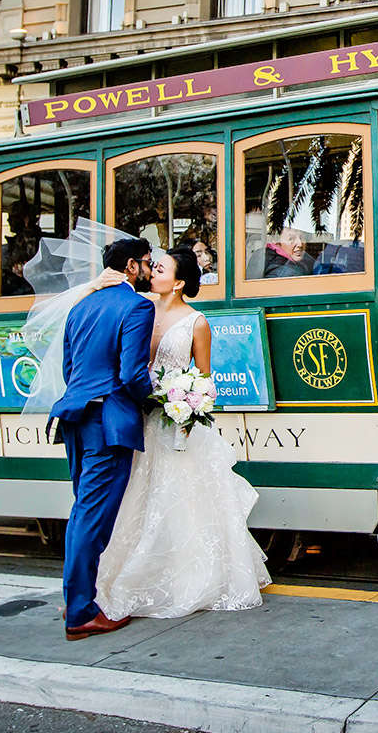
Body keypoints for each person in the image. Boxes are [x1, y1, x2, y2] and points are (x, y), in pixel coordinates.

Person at [96, 245, 270, 619]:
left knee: (179, 503)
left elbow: (205, 380)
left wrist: (187, 406)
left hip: (173, 423)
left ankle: (186, 580)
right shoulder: (136, 305)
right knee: (135, 498)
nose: (151, 272)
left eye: (159, 269)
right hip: (137, 418)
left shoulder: (197, 322)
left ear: (177, 282)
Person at [48, 236, 159, 639]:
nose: (150, 269)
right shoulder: (136, 306)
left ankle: (76, 600)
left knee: (82, 512)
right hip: (107, 424)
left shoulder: (81, 305)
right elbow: (132, 374)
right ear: (131, 266)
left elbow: (69, 367)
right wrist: (154, 403)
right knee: (92, 519)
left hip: (74, 417)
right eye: (147, 262)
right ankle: (79, 612)